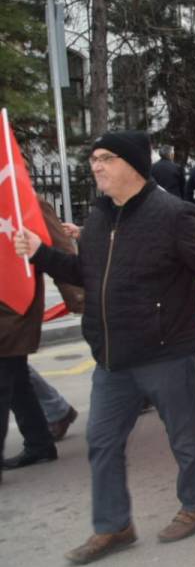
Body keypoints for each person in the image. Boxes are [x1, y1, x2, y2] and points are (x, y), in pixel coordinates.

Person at [14, 131, 195, 563]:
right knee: (102, 443)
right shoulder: (101, 217)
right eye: (94, 159)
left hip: (166, 351)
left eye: (105, 158)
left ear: (132, 165)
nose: (96, 166)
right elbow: (85, 273)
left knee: (183, 437)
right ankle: (114, 526)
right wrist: (39, 253)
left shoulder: (174, 214)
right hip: (113, 357)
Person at [1, 200, 82, 475]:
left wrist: (80, 298)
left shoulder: (23, 198)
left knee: (6, 375)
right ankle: (40, 442)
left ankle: (42, 439)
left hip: (14, 308)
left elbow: (58, 248)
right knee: (17, 378)